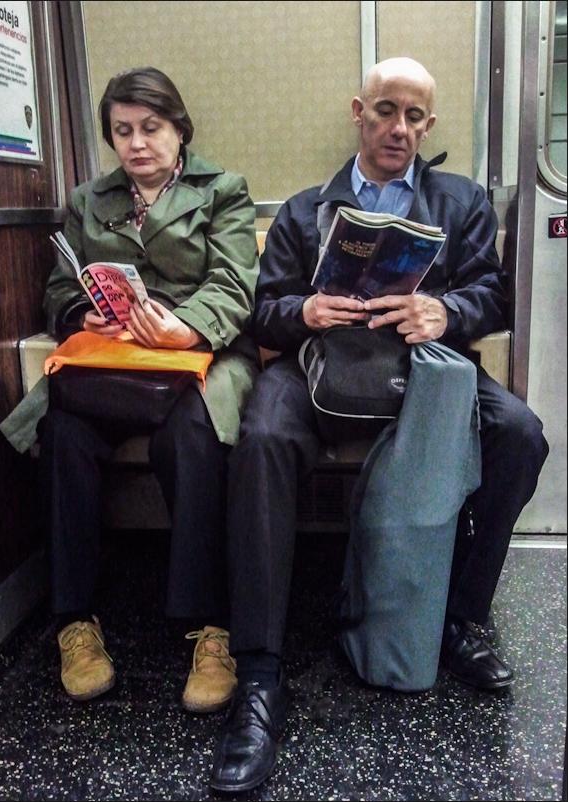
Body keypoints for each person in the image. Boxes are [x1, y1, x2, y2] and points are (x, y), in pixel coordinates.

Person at [208, 57, 549, 793]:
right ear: (358, 111)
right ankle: (259, 674)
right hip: (320, 362)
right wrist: (304, 311)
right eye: (386, 110)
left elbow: (491, 295)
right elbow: (263, 312)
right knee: (262, 439)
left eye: (414, 116)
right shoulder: (305, 211)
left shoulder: (460, 202)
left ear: (429, 124)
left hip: (423, 365)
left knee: (521, 435)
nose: (399, 128)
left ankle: (456, 618)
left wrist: (444, 311)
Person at [39, 67, 259, 709]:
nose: (136, 143)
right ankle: (75, 620)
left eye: (151, 128)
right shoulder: (88, 201)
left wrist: (186, 328)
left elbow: (235, 282)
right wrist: (82, 315)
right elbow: (60, 287)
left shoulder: (222, 190)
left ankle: (209, 626)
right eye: (122, 131)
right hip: (115, 359)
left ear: (179, 129)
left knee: (191, 433)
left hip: (200, 355)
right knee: (61, 430)